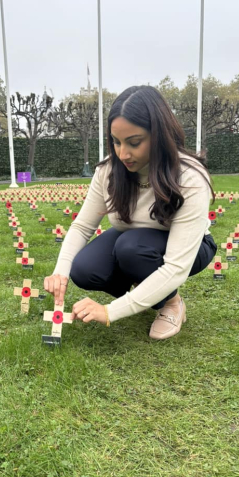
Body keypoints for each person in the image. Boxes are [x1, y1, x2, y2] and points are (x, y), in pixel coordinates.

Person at [44, 85, 217, 340]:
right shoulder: (109, 171)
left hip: (188, 249)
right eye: (116, 142)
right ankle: (147, 287)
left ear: (159, 136)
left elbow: (176, 267)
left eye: (134, 143)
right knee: (84, 268)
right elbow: (82, 226)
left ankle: (171, 303)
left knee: (131, 249)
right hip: (132, 241)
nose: (123, 153)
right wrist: (61, 271)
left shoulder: (189, 178)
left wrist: (109, 311)